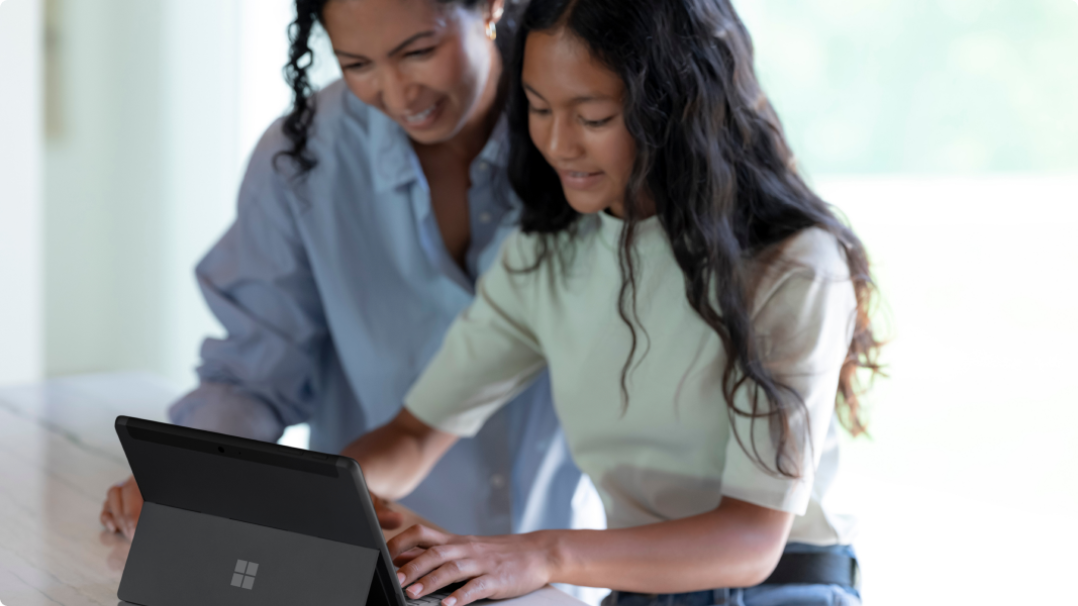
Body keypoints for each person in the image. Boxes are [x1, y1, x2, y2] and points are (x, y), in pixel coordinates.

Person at [338, 0, 885, 605]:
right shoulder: (545, 258)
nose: (556, 142)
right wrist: (331, 499)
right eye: (539, 109)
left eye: (592, 117)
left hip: (783, 589)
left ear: (673, 108)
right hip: (640, 593)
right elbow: (415, 435)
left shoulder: (792, 264)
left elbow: (751, 541)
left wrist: (542, 553)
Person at [99, 0, 600, 548]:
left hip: (564, 563)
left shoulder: (588, 151)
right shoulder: (300, 161)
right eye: (357, 64)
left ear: (488, 7)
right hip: (367, 555)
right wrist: (191, 473)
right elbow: (254, 374)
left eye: (420, 52)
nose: (399, 93)